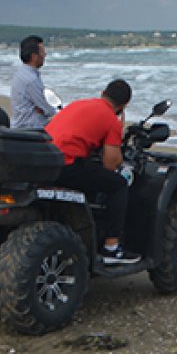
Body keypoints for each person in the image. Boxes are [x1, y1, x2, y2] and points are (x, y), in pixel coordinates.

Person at [44, 80, 143, 263]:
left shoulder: (78, 104)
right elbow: (110, 164)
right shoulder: (111, 119)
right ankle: (111, 248)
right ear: (124, 105)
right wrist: (118, 130)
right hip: (66, 164)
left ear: (102, 92)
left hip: (44, 160)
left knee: (90, 173)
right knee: (118, 185)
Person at [9, 35, 57, 129]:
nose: (45, 55)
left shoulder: (21, 73)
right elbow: (47, 109)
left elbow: (41, 106)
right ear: (34, 56)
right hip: (31, 129)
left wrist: (41, 108)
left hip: (22, 124)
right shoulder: (31, 79)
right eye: (42, 53)